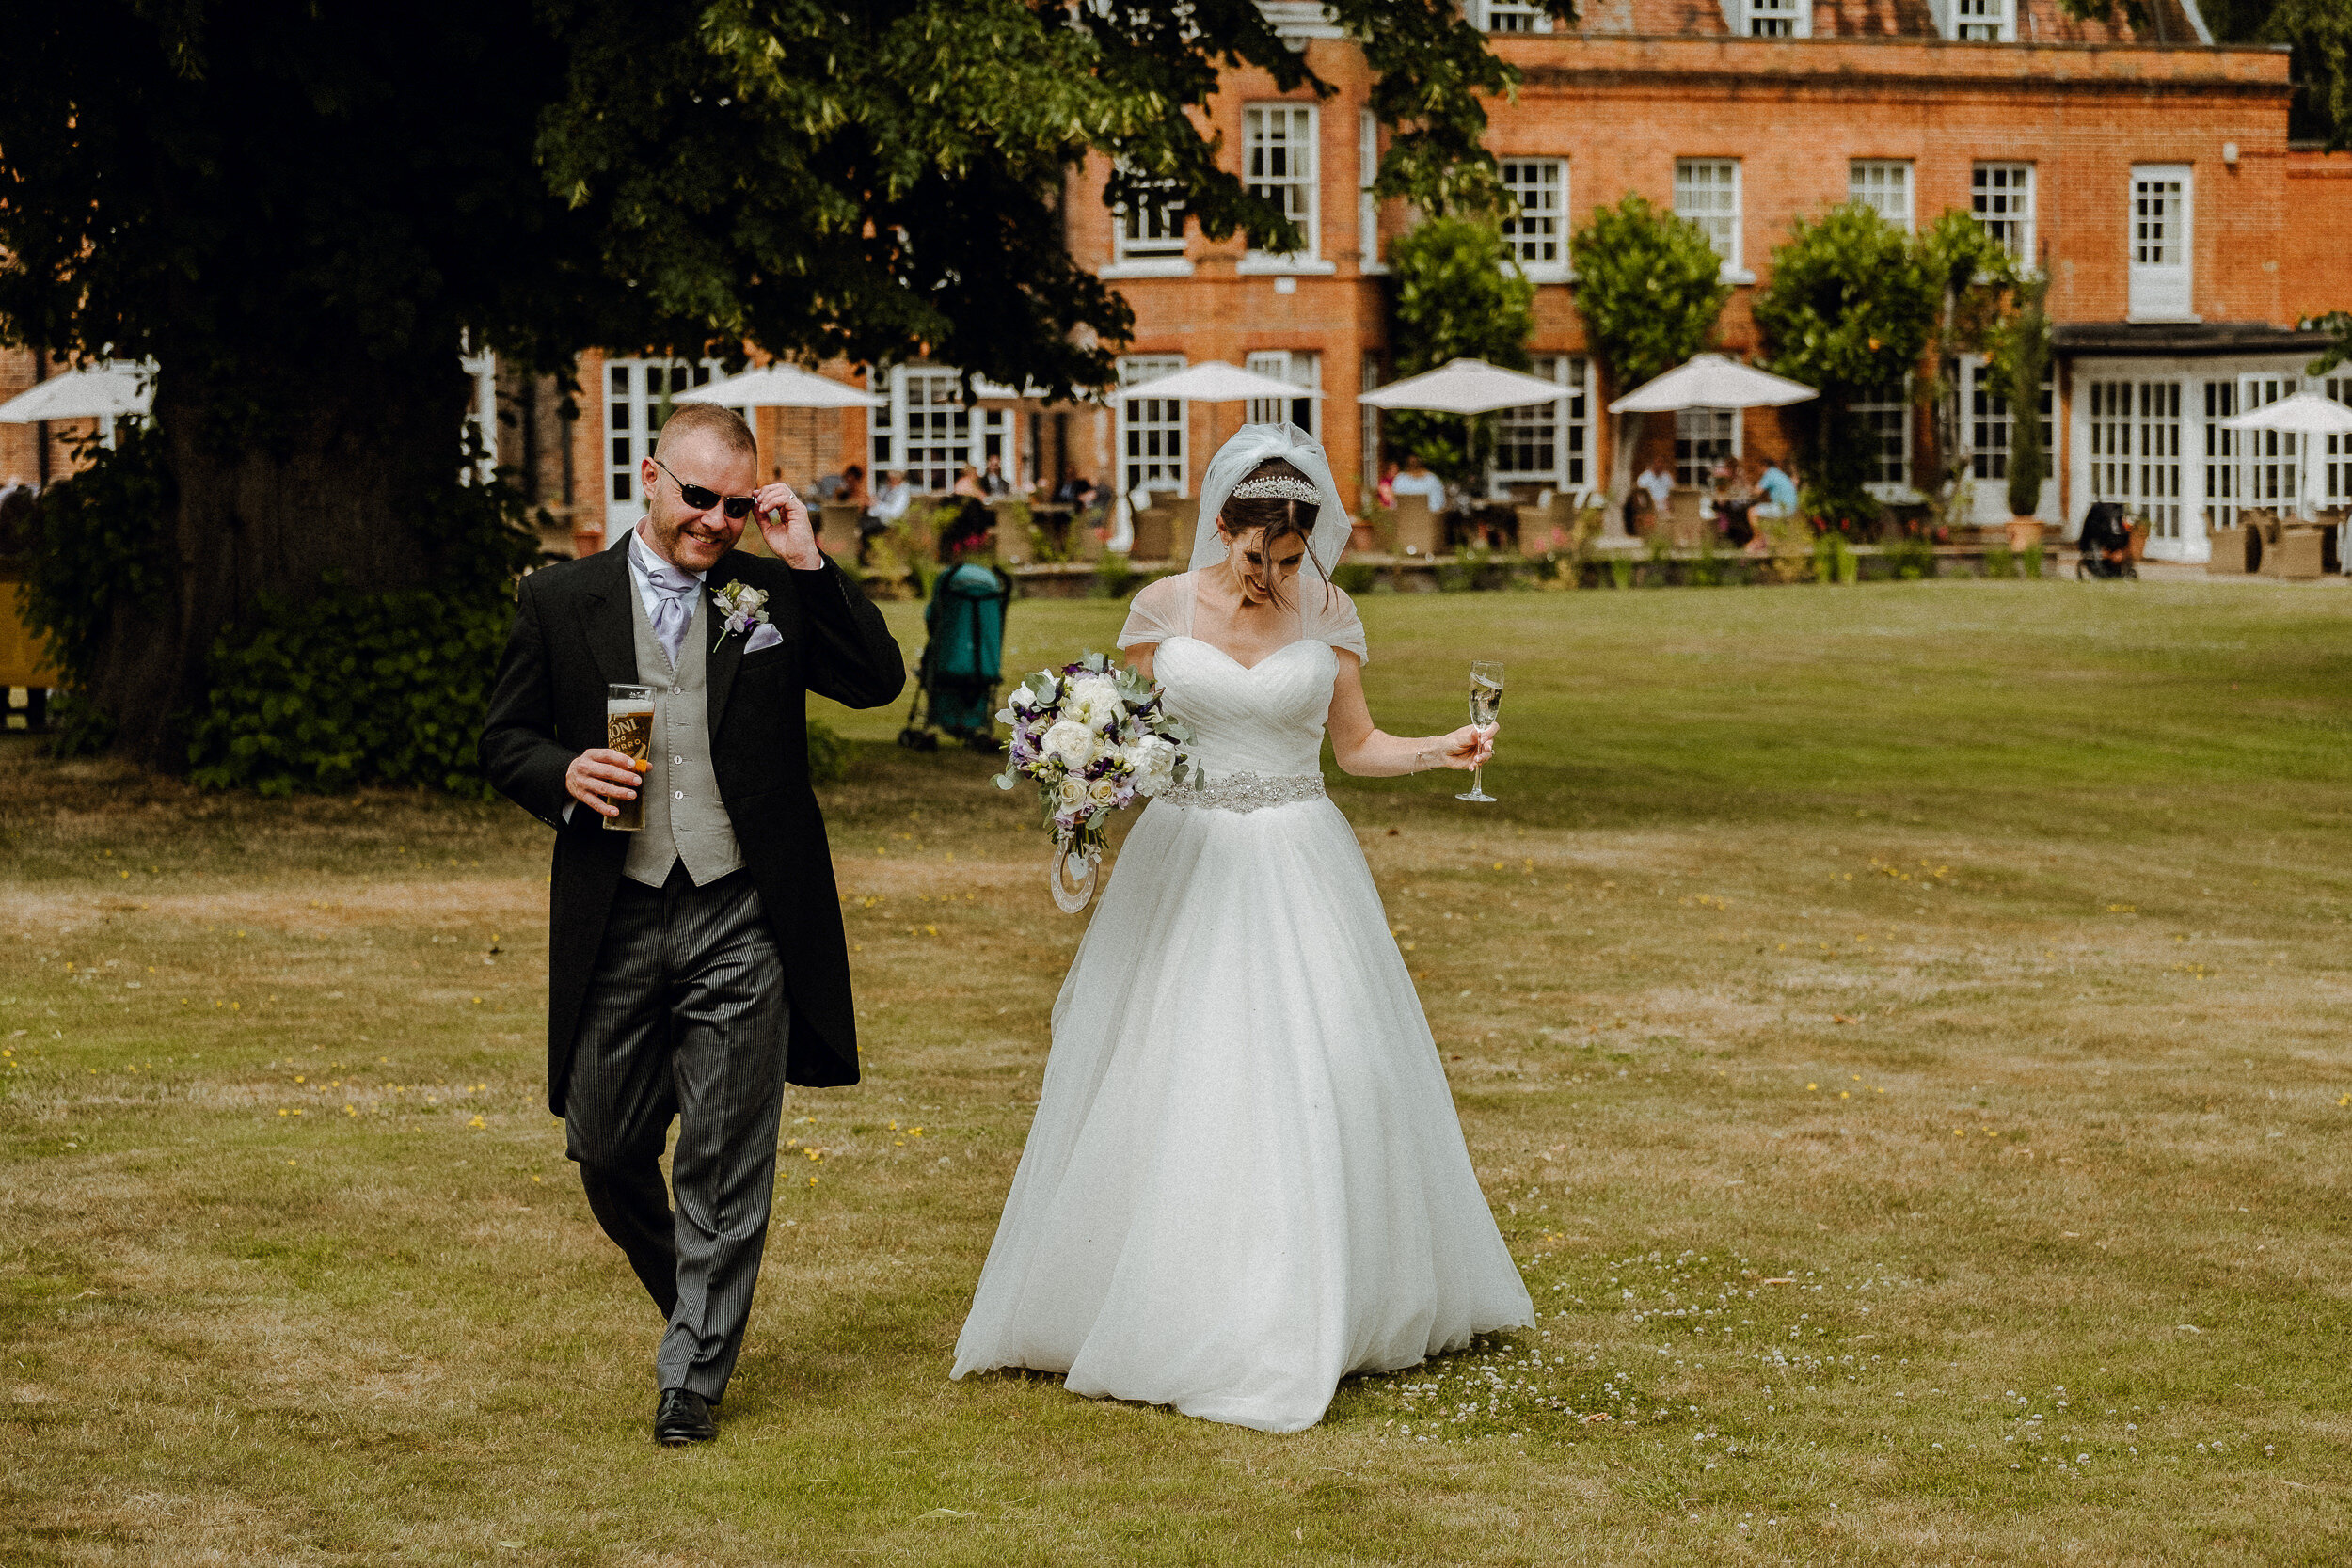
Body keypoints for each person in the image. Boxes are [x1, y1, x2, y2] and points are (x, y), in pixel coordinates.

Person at [951, 421, 1533, 1433]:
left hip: (1300, 854)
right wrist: (1082, 781)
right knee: (1168, 1065)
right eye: (1256, 554)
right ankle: (1141, 1293)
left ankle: (1313, 1294)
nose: (1271, 575)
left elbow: (1354, 747)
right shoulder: (1163, 609)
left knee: (1332, 1063)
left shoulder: (1331, 609)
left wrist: (1443, 747)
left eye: (1291, 556)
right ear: (1221, 526)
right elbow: (1130, 734)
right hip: (1187, 856)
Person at [479, 404, 905, 1448]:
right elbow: (505, 736)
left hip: (742, 910)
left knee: (723, 1153)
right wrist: (561, 773)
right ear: (650, 476)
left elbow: (876, 681)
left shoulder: (765, 593)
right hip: (617, 905)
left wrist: (804, 558)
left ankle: (692, 1379)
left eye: (734, 504)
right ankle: (697, 1296)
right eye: (698, 497)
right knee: (606, 1142)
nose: (715, 521)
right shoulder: (559, 597)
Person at [1634, 456, 1674, 531]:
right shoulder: (1644, 477)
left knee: (1668, 510)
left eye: (1662, 464)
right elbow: (1640, 495)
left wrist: (1667, 502)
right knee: (1651, 513)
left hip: (1665, 504)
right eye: (1658, 464)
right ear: (1653, 465)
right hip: (1649, 504)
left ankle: (1665, 532)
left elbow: (1672, 492)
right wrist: (1650, 503)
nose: (1660, 466)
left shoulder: (1666, 477)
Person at [1754, 456, 1799, 520]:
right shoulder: (1778, 472)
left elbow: (1756, 492)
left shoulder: (1769, 473)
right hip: (1792, 507)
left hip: (1783, 508)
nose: (1758, 470)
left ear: (1764, 466)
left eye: (1759, 467)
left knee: (1752, 511)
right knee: (1762, 508)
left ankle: (1755, 531)